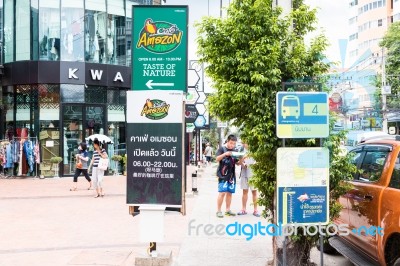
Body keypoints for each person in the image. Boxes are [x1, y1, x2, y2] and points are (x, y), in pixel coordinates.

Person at [215, 134, 241, 218]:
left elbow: (237, 163)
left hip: (231, 175)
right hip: (222, 174)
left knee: (230, 193)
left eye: (234, 143)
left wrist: (242, 159)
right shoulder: (222, 149)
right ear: (227, 141)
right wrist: (225, 154)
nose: (232, 145)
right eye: (231, 143)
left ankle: (228, 210)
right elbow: (217, 159)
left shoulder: (235, 150)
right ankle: (218, 211)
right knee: (222, 192)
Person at [237, 143, 260, 217]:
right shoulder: (241, 150)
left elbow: (259, 161)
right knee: (244, 191)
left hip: (253, 174)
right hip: (244, 174)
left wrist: (254, 164)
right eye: (244, 142)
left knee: (254, 192)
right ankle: (243, 209)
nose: (245, 144)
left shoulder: (255, 149)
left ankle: (255, 210)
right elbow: (239, 163)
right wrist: (242, 162)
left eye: (246, 142)